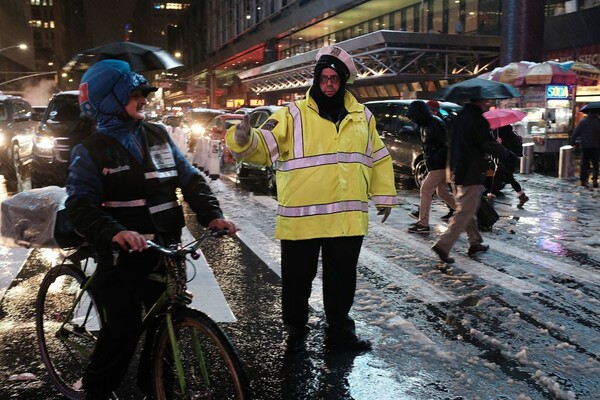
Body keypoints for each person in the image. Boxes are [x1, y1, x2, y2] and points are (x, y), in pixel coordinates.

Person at [65, 59, 238, 399]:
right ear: (110, 101)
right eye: (133, 94)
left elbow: (190, 179)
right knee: (124, 325)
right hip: (119, 255)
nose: (143, 99)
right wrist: (116, 232)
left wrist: (212, 214)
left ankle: (157, 386)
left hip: (164, 247)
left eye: (142, 93)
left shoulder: (157, 134)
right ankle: (96, 389)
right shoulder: (90, 150)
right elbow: (80, 205)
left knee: (166, 319)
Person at [225, 45, 398, 353]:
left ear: (343, 81)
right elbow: (264, 148)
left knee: (342, 282)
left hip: (345, 219)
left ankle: (339, 333)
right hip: (301, 219)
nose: (329, 84)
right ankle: (295, 328)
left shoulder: (363, 116)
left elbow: (379, 157)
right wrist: (243, 139)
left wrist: (384, 196)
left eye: (334, 78)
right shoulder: (291, 114)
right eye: (324, 78)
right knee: (297, 281)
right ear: (316, 79)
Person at [431, 98, 518, 264]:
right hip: (470, 171)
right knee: (465, 211)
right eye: (486, 99)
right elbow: (488, 143)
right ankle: (444, 244)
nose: (488, 102)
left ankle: (474, 242)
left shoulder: (458, 117)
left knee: (467, 208)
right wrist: (509, 156)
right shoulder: (476, 119)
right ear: (479, 99)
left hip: (456, 169)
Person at [406, 100, 456, 233]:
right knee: (442, 192)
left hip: (439, 164)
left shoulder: (434, 123)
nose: (412, 120)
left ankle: (423, 224)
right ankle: (462, 213)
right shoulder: (427, 124)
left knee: (426, 189)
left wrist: (434, 158)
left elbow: (445, 145)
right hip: (436, 163)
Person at [489, 124, 529, 208]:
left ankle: (491, 197)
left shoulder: (503, 133)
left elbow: (505, 148)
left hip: (506, 159)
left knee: (497, 176)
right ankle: (522, 196)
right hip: (509, 160)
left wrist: (498, 143)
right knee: (509, 178)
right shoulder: (505, 133)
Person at [570, 109, 600, 188]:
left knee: (584, 163)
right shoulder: (598, 122)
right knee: (595, 163)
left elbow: (575, 133)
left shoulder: (583, 122)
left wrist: (571, 143)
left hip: (585, 146)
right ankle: (594, 180)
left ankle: (584, 180)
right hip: (596, 146)